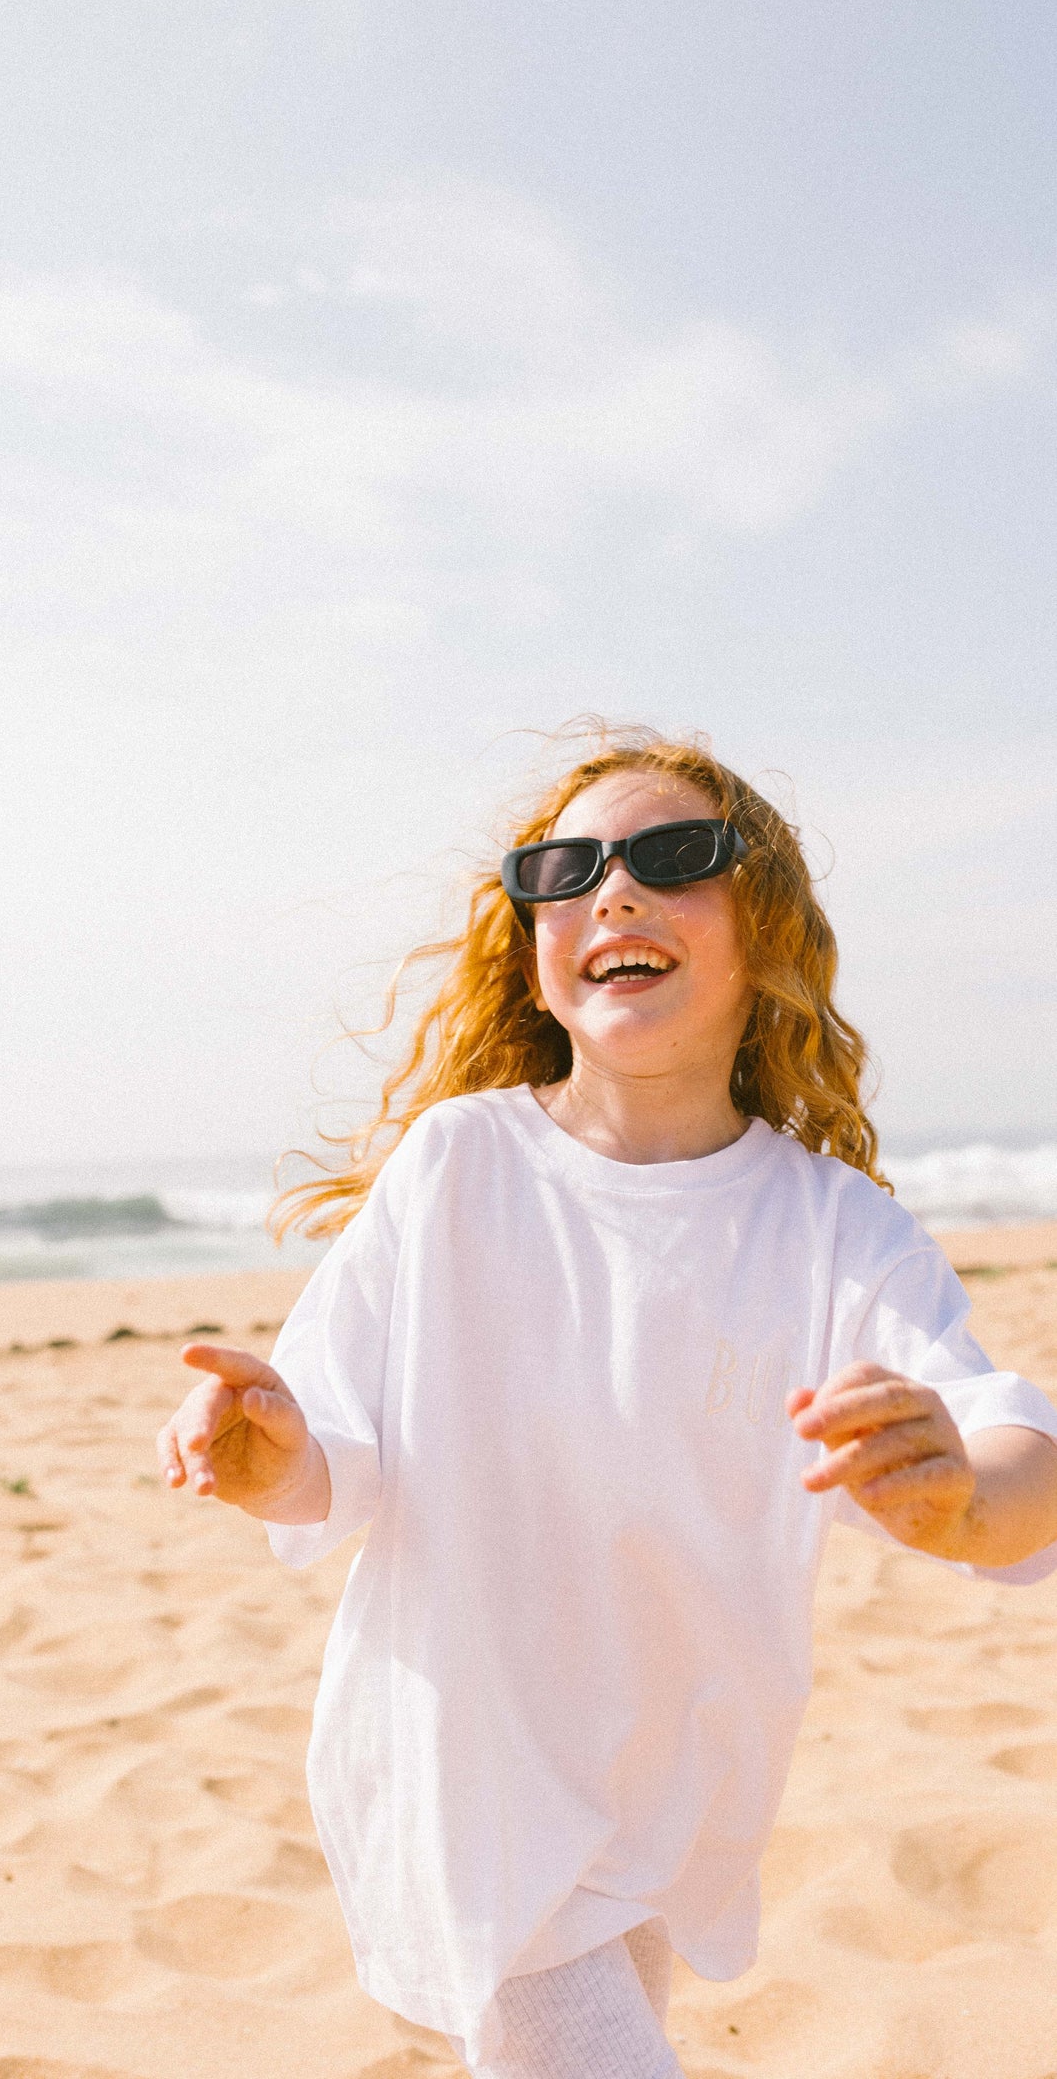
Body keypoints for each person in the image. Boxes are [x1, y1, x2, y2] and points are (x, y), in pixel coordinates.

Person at [156, 727, 1057, 2079]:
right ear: (531, 941)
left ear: (763, 930)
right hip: (467, 1771)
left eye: (671, 858)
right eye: (563, 870)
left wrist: (954, 1494)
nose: (611, 893)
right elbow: (333, 1461)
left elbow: (1012, 1460)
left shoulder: (825, 1227)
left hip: (674, 1785)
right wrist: (265, 1451)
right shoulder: (457, 1167)